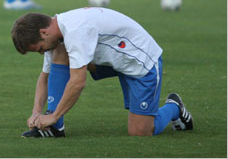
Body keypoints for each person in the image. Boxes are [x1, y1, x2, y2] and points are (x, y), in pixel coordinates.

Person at [11, 7, 193, 138]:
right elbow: (45, 76)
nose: (42, 52)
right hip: (112, 57)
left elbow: (77, 82)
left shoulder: (75, 31)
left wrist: (53, 115)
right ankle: (55, 128)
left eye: (40, 48)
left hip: (140, 62)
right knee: (59, 50)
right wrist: (37, 112)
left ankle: (174, 107)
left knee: (140, 132)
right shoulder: (57, 33)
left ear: (43, 32)